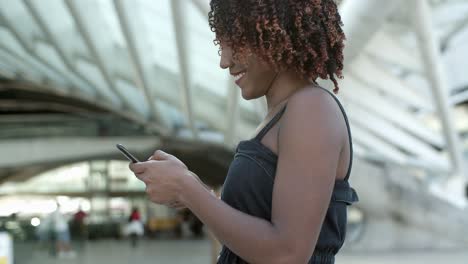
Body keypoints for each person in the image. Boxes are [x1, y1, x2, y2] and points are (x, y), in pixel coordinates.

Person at [129, 0, 358, 263]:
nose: (224, 61)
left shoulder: (311, 108)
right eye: (222, 44)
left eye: (236, 42)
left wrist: (186, 188)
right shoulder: (284, 113)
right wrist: (197, 193)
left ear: (276, 35)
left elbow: (288, 253)